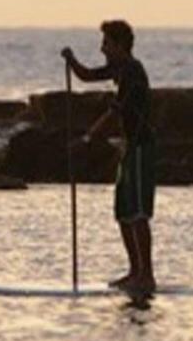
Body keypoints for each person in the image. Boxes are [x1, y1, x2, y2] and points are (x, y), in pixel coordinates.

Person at [61, 20, 157, 294]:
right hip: (130, 148)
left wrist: (87, 139)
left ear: (118, 45)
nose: (102, 49)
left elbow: (115, 112)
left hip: (142, 147)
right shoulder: (119, 68)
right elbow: (88, 76)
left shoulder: (133, 72)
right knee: (123, 212)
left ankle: (146, 275)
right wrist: (71, 60)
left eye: (106, 43)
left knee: (138, 213)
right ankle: (134, 272)